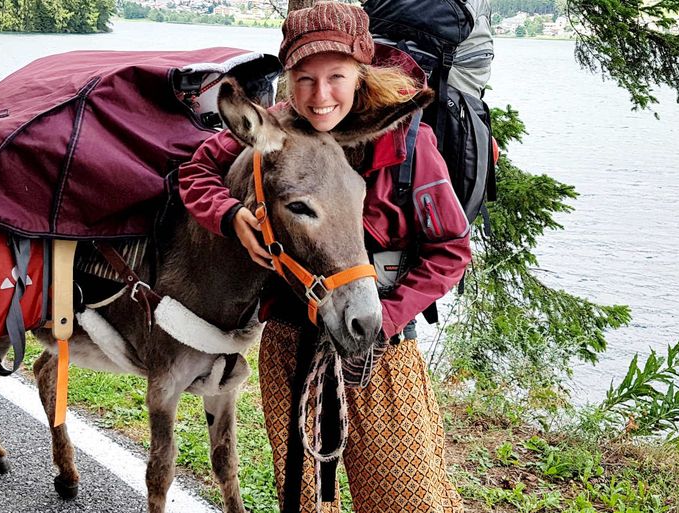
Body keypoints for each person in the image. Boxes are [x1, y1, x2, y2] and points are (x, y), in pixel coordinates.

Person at [178, 3, 471, 511]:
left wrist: (387, 318)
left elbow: (451, 249)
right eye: (304, 79)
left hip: (382, 356)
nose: (320, 95)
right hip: (291, 346)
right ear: (287, 79)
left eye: (336, 76)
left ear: (361, 72)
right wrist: (229, 216)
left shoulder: (409, 140)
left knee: (407, 501)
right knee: (305, 502)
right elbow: (196, 173)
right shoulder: (272, 132)